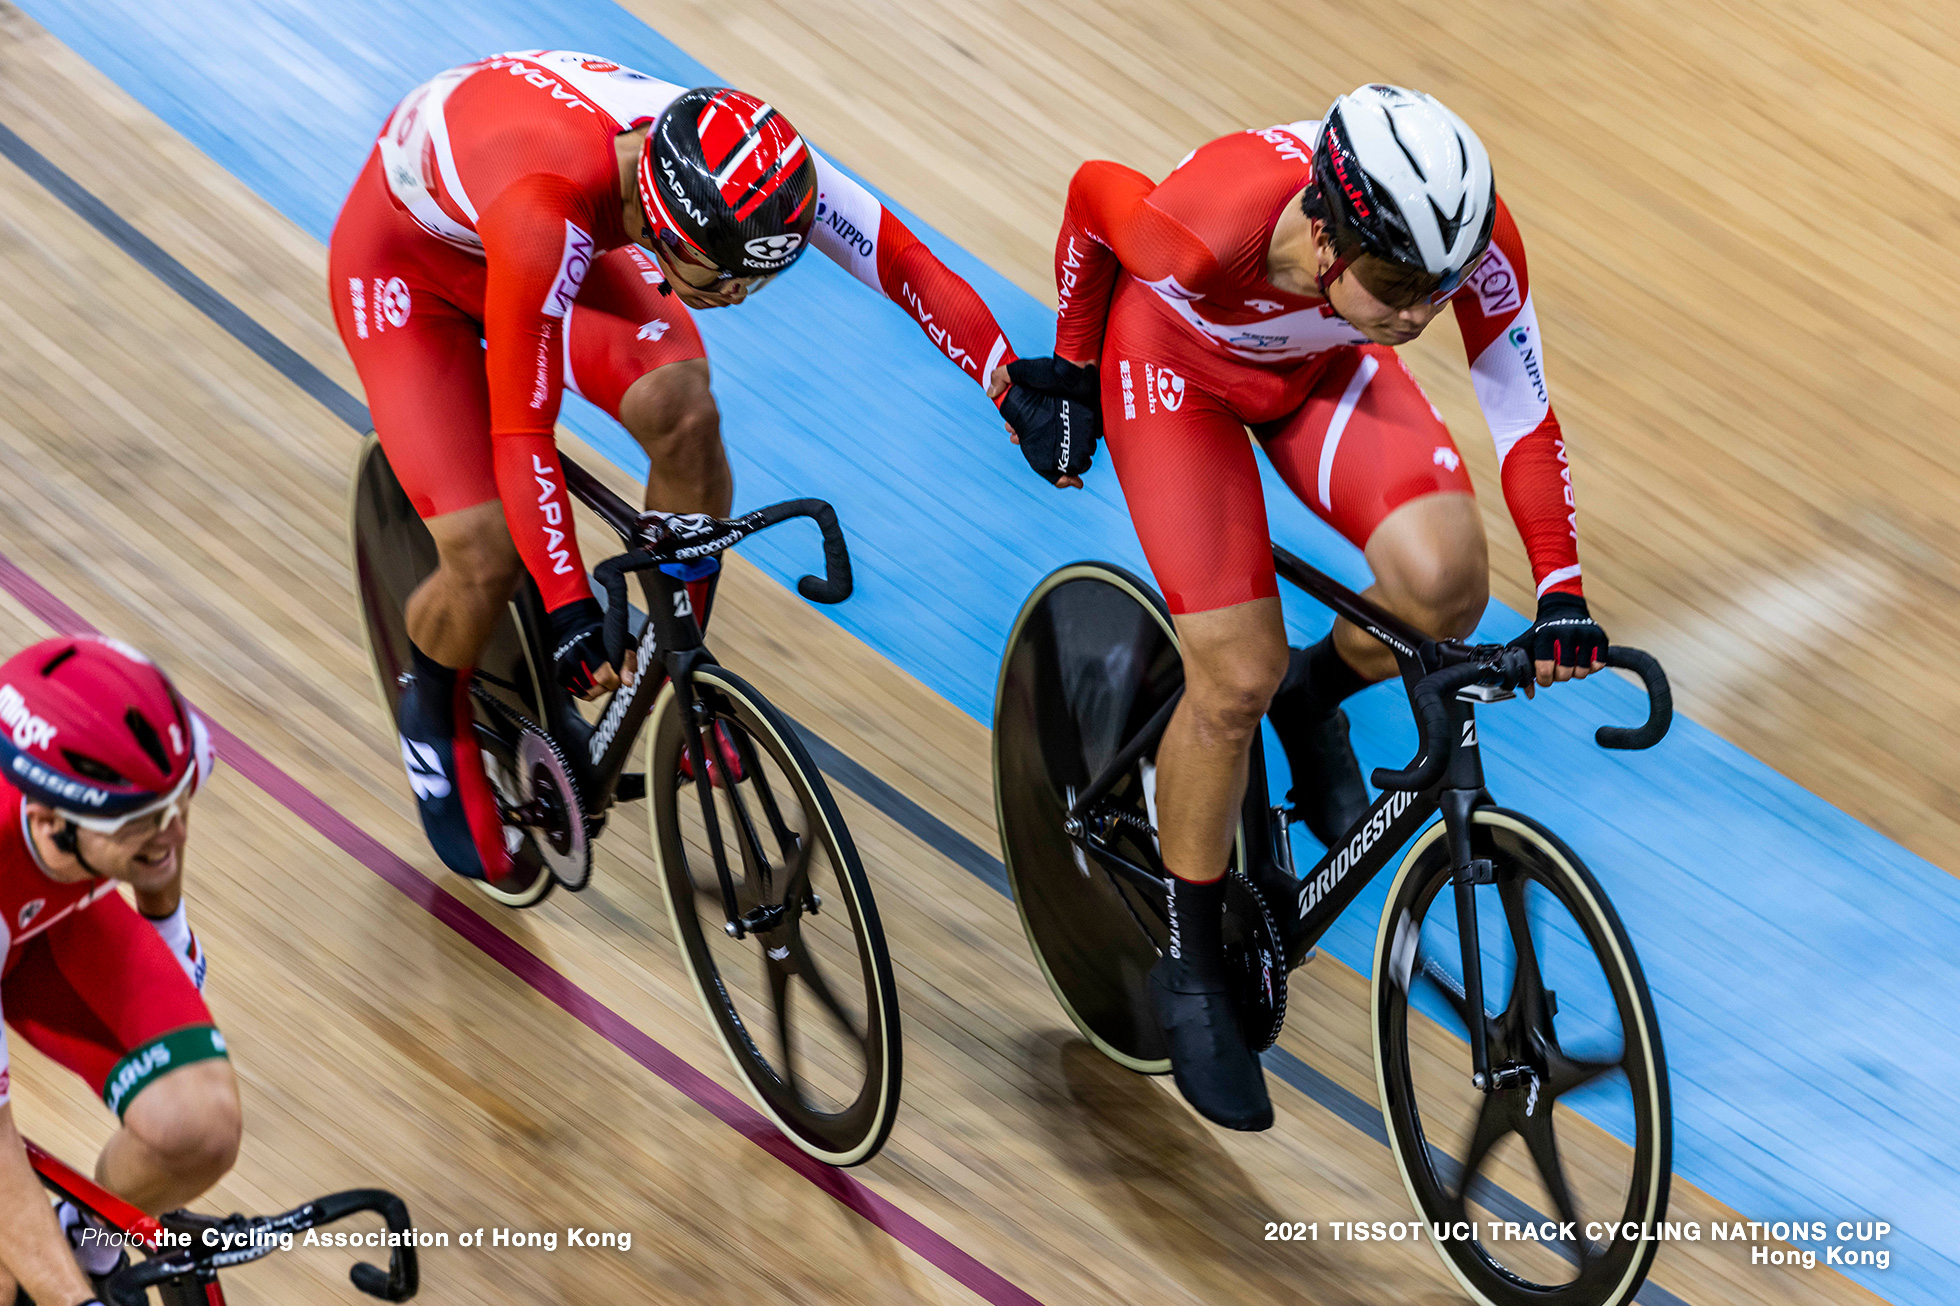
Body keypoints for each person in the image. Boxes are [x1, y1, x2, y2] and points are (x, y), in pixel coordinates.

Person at [990, 85, 1605, 1130]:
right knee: (1232, 671)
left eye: (1439, 286)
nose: (1421, 312)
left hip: (1312, 363)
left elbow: (1521, 410)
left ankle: (1309, 698)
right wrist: (1076, 366)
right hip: (1174, 366)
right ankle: (1189, 967)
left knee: (1449, 584)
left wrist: (1562, 591)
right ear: (1324, 231)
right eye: (1399, 282)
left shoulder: (1455, 239)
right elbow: (1094, 195)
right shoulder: (1205, 233)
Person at [330, 51, 1022, 883]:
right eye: (729, 280)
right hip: (409, 268)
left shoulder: (747, 157)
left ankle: (668, 683)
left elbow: (903, 262)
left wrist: (1009, 386)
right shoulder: (551, 216)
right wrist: (566, 607)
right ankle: (430, 711)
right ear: (664, 226)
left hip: (521, 205)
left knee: (686, 415)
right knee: (484, 553)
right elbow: (523, 436)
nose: (738, 298)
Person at [0, 637, 238, 1303]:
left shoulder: (166, 753)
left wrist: (167, 929)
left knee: (198, 1128)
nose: (173, 831)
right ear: (49, 822)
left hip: (43, 916)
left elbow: (164, 824)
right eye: (141, 823)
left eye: (175, 804)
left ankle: (87, 1238)